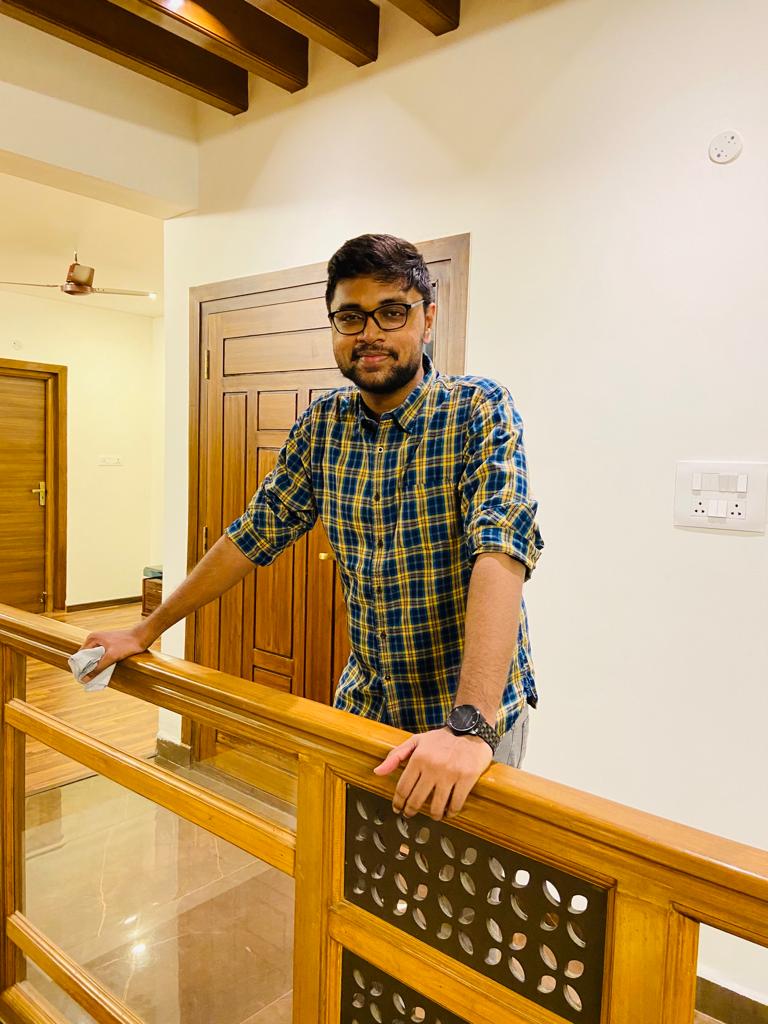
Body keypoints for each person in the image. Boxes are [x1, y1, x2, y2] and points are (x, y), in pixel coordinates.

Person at [80, 234, 543, 821]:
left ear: (427, 319)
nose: (369, 333)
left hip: (467, 720)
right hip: (368, 702)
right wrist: (146, 629)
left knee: (460, 877)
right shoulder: (324, 423)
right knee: (351, 865)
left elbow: (500, 550)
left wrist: (468, 725)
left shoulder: (477, 409)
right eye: (350, 316)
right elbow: (251, 535)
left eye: (392, 312)